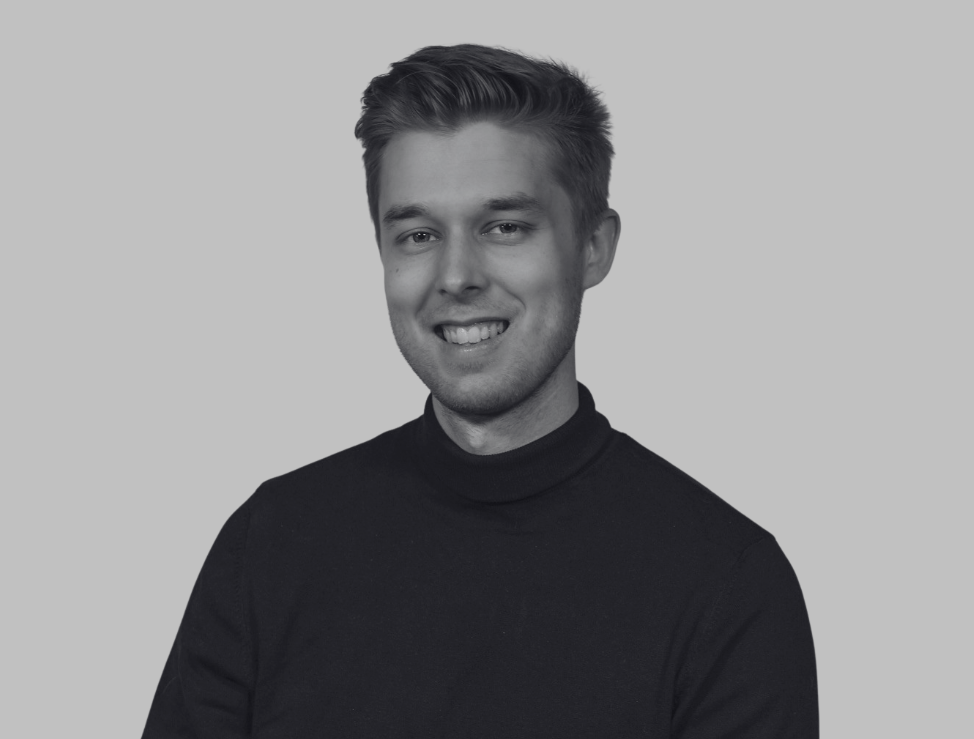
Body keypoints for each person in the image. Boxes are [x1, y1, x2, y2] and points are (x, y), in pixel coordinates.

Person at [142, 44, 818, 738]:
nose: (455, 274)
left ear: (593, 247)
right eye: (417, 234)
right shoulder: (273, 544)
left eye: (504, 227)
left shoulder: (726, 585)